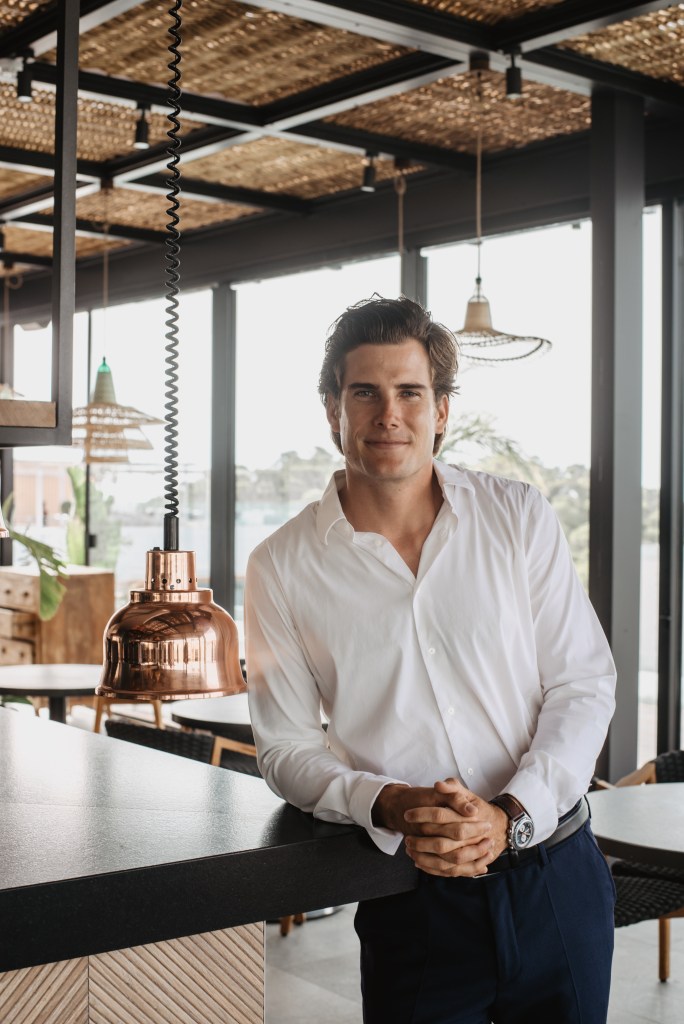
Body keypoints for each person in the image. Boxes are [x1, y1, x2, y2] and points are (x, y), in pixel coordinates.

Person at [245, 295, 617, 1024]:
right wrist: (388, 802)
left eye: (410, 392)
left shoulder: (518, 517)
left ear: (441, 409)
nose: (389, 414)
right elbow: (284, 749)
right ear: (332, 410)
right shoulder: (280, 566)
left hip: (556, 879)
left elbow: (582, 683)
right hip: (412, 900)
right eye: (365, 392)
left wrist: (510, 816)